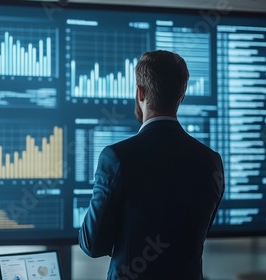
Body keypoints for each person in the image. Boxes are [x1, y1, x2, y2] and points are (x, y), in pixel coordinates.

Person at [79, 50, 224, 280]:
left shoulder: (116, 157)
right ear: (182, 95)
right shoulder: (210, 161)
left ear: (140, 92)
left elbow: (92, 245)